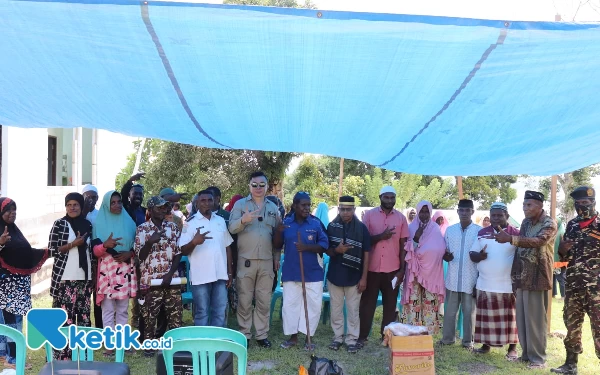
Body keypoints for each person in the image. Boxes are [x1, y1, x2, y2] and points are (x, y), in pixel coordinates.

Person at [495, 190, 557, 370]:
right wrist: (514, 274)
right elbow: (520, 248)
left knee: (536, 320)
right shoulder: (525, 222)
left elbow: (539, 241)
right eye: (524, 205)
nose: (525, 208)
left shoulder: (549, 223)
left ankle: (538, 359)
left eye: (529, 205)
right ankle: (526, 355)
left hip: (538, 277)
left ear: (540, 206)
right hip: (522, 277)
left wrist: (511, 238)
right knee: (522, 319)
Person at [229, 171, 281, 348]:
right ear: (249, 186)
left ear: (267, 187)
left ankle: (261, 335)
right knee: (244, 299)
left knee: (264, 299)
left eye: (262, 185)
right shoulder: (240, 204)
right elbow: (231, 228)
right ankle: (245, 334)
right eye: (254, 184)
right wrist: (243, 220)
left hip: (266, 261)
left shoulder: (274, 209)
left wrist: (276, 258)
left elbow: (277, 237)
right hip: (246, 260)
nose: (258, 188)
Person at [552, 186, 600, 374]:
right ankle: (570, 365)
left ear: (593, 202)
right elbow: (564, 257)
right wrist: (562, 249)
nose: (581, 206)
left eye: (585, 203)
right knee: (571, 326)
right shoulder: (571, 225)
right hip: (573, 285)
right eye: (578, 203)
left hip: (596, 288)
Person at [274, 192, 328, 350]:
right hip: (291, 272)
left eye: (308, 205)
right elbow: (277, 245)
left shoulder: (316, 223)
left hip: (313, 273)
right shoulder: (287, 223)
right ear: (295, 206)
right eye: (303, 205)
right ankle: (293, 337)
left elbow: (324, 244)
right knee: (290, 305)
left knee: (313, 306)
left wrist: (307, 248)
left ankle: (308, 338)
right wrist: (278, 231)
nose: (307, 208)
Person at [0, 198, 48, 370]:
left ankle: (8, 354)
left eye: (14, 209)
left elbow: (24, 252)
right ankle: (13, 360)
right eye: (8, 209)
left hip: (19, 286)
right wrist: (0, 243)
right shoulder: (2, 232)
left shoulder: (14, 231)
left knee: (15, 321)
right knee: (12, 323)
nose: (12, 212)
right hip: (7, 287)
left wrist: (46, 252)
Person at [358, 186, 409, 348]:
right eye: (386, 197)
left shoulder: (401, 218)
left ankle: (385, 338)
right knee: (367, 304)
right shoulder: (369, 215)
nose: (389, 201)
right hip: (372, 268)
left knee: (390, 305)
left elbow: (404, 247)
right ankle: (362, 336)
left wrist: (402, 270)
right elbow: (363, 241)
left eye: (392, 197)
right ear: (380, 197)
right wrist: (381, 236)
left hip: (392, 270)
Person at [468, 202, 519, 359]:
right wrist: (480, 256)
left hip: (507, 285)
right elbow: (472, 254)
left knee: (511, 319)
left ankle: (512, 349)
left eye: (499, 215)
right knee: (486, 319)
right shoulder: (483, 232)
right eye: (493, 215)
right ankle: (485, 345)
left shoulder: (516, 234)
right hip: (485, 283)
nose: (496, 218)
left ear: (507, 216)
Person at [91, 191, 137, 358]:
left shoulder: (129, 222)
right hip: (108, 271)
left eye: (119, 202)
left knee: (123, 309)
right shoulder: (99, 223)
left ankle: (123, 343)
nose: (117, 205)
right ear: (106, 205)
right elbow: (95, 251)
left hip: (124, 269)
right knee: (108, 309)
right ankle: (110, 345)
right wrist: (105, 245)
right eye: (113, 202)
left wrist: (130, 254)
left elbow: (136, 247)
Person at [134, 196, 182, 357]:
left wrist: (169, 274)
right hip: (150, 281)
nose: (163, 211)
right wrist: (149, 242)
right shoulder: (142, 229)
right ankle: (149, 347)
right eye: (159, 208)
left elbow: (178, 254)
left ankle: (176, 348)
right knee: (149, 318)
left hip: (171, 280)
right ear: (150, 210)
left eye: (165, 208)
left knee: (175, 317)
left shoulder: (173, 227)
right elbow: (139, 257)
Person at [48, 192, 93, 360]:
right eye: (69, 205)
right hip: (65, 279)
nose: (72, 208)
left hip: (84, 279)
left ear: (81, 207)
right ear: (65, 207)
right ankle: (62, 357)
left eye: (76, 204)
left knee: (84, 319)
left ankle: (83, 356)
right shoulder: (59, 224)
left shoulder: (88, 224)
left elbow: (89, 252)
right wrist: (73, 244)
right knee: (65, 320)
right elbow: (52, 250)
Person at [179, 190, 233, 327]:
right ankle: (201, 346)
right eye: (203, 200)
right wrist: (194, 242)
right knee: (202, 312)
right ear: (197, 203)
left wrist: (230, 272)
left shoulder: (220, 220)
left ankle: (217, 344)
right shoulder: (189, 224)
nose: (207, 203)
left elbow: (227, 247)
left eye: (210, 200)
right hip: (200, 277)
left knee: (220, 311)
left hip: (220, 275)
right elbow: (182, 250)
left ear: (214, 201)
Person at [325, 196, 370, 353]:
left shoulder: (362, 228)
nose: (345, 212)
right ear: (339, 210)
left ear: (354, 210)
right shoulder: (331, 227)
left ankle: (351, 339)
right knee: (336, 310)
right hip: (335, 276)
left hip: (354, 277)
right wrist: (337, 250)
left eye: (348, 209)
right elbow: (327, 250)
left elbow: (366, 254)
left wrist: (364, 277)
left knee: (353, 311)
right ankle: (337, 338)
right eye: (342, 209)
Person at [440, 199, 481, 349]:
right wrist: (447, 257)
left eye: (467, 210)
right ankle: (447, 339)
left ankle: (468, 342)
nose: (464, 213)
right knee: (450, 312)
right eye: (461, 210)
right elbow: (445, 252)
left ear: (472, 212)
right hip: (452, 278)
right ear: (457, 211)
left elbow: (481, 256)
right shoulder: (450, 230)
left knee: (469, 313)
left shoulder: (479, 231)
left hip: (471, 279)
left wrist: (479, 280)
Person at [400, 200, 446, 334]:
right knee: (413, 302)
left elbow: (440, 249)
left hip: (431, 274)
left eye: (427, 212)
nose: (424, 215)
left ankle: (427, 333)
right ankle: (411, 331)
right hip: (414, 272)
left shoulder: (435, 229)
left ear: (430, 212)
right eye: (422, 212)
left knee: (429, 302)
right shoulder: (411, 228)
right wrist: (416, 238)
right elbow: (408, 251)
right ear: (418, 212)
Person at [553, 218, 567, 299]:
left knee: (560, 277)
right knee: (554, 277)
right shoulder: (557, 232)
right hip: (556, 260)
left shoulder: (561, 233)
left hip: (560, 261)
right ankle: (553, 294)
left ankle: (563, 295)